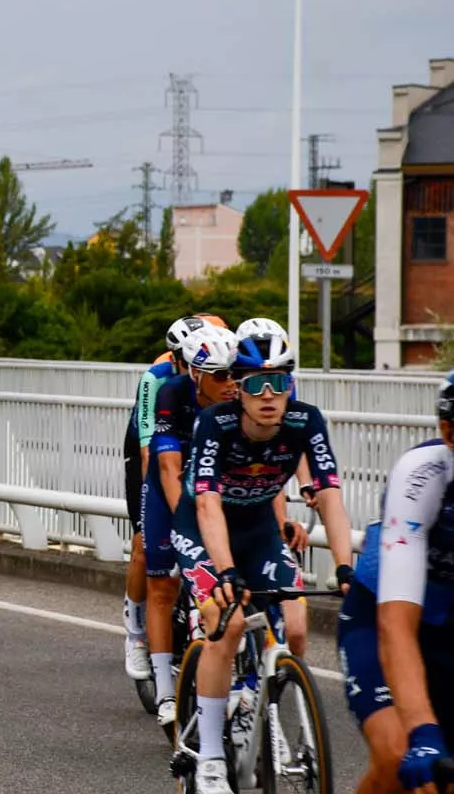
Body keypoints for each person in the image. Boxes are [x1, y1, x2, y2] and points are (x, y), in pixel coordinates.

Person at [171, 326, 357, 794]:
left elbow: (330, 495)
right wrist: (225, 571)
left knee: (296, 626)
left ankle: (256, 702)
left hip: (257, 531)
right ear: (238, 386)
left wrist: (344, 567)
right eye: (256, 383)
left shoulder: (306, 421)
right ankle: (211, 756)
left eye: (279, 382)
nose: (269, 394)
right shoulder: (215, 423)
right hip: (202, 530)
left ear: (292, 385)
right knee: (228, 623)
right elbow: (207, 503)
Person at [338, 377, 454, 794]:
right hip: (380, 617)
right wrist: (422, 730)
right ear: (448, 432)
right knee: (398, 754)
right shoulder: (422, 475)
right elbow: (396, 626)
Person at [142, 323, 239, 730]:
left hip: (213, 490)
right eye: (221, 375)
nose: (232, 383)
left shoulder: (243, 398)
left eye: (236, 374)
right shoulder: (172, 393)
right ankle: (166, 691)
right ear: (196, 374)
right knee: (162, 586)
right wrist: (187, 523)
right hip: (172, 489)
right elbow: (168, 467)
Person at [121, 314, 206, 681]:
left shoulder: (216, 377)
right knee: (144, 543)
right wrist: (154, 507)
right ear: (174, 358)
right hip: (150, 452)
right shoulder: (156, 380)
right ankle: (135, 631)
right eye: (186, 360)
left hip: (191, 449)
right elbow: (147, 453)